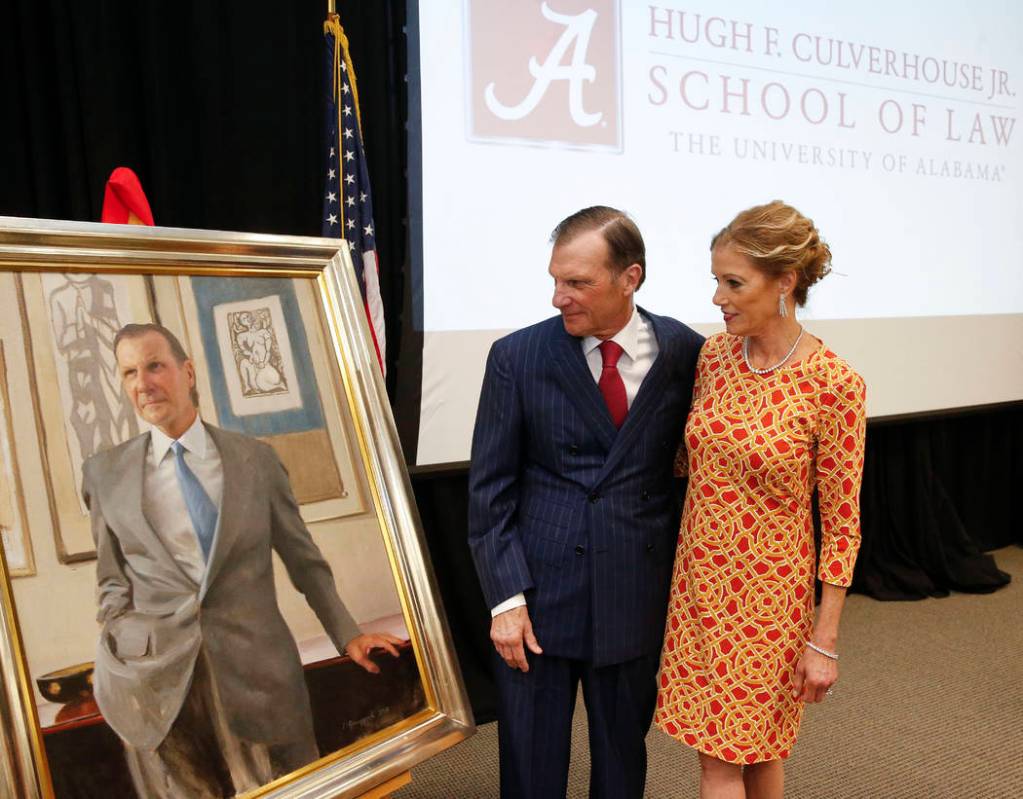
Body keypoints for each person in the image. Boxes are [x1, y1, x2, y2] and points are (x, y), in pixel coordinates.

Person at [82, 322, 402, 798]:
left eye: (154, 366)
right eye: (129, 372)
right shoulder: (104, 473)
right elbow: (112, 580)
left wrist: (348, 635)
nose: (142, 383)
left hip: (260, 672)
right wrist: (119, 642)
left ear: (187, 372)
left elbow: (304, 560)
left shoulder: (256, 461)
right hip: (159, 687)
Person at [468, 206, 704, 798]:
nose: (558, 298)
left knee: (623, 759)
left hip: (634, 589)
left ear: (631, 277)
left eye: (578, 283)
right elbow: (490, 491)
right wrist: (505, 601)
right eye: (555, 280)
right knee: (530, 764)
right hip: (538, 596)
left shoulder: (688, 353)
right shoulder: (517, 357)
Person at [655, 201, 867, 798]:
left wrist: (823, 641)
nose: (718, 298)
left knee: (728, 759)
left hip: (769, 600)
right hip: (699, 587)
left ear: (785, 282)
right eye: (715, 282)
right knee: (753, 754)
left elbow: (843, 524)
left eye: (733, 283)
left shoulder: (835, 385)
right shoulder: (714, 358)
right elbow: (686, 464)